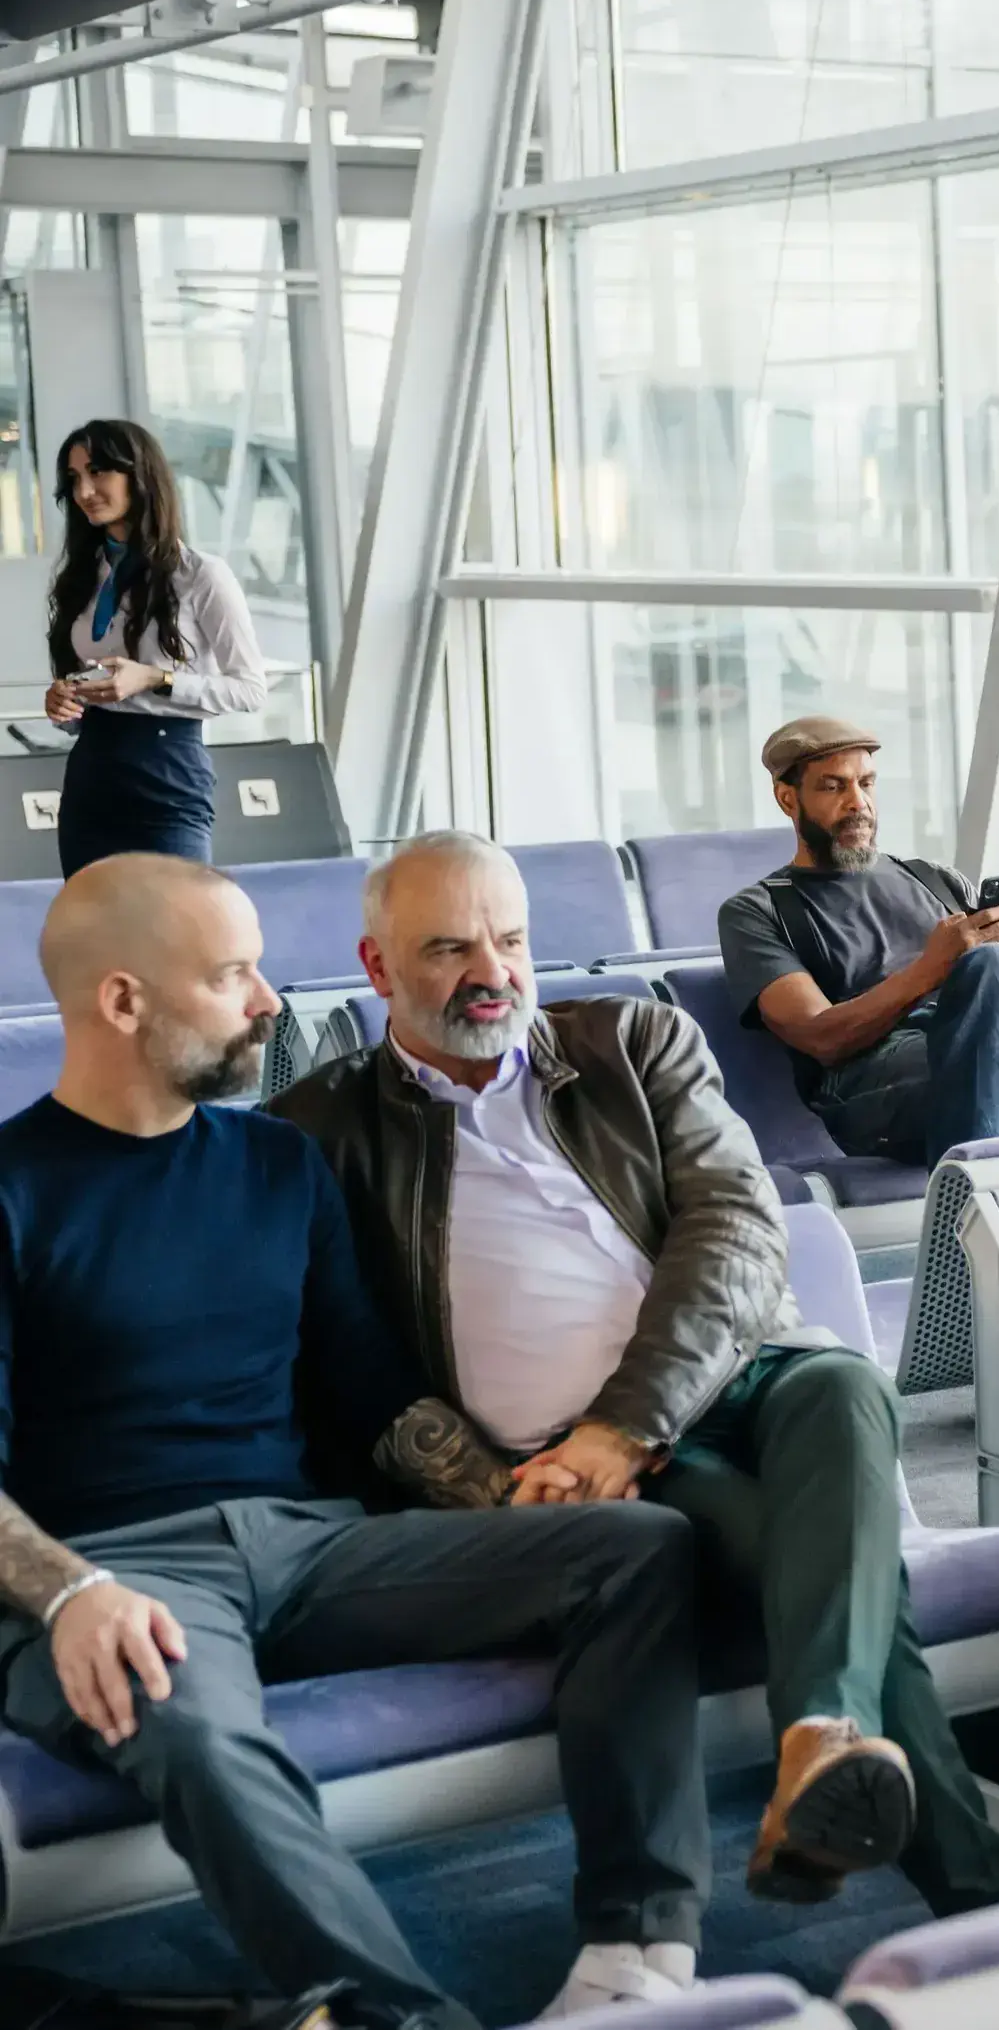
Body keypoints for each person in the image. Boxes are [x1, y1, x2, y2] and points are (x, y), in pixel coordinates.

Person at [276, 832, 999, 1919]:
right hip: (582, 1468)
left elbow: (737, 1229)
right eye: (450, 949)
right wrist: (511, 1485)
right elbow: (347, 1369)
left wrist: (630, 1419)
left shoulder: (631, 1041)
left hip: (729, 1383)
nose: (492, 971)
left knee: (840, 1384)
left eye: (509, 939)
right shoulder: (321, 1129)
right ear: (377, 967)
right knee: (809, 1557)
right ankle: (933, 1847)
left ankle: (856, 1769)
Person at [0, 855, 712, 2027]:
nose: (271, 1000)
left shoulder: (278, 1161)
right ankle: (405, 2021)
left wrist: (514, 1504)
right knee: (189, 1724)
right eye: (232, 975)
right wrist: (71, 1594)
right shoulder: (13, 1192)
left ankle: (638, 1949)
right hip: (119, 1576)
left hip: (310, 1547)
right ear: (124, 1001)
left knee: (631, 1546)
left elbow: (374, 1393)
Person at [714, 716, 999, 1437]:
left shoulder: (930, 880)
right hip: (866, 1091)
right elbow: (821, 1039)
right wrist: (932, 969)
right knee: (993, 981)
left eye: (864, 783)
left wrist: (977, 960)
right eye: (832, 787)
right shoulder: (758, 912)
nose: (856, 801)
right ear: (788, 799)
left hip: (970, 1073)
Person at [41, 422, 273, 876]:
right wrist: (65, 701)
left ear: (139, 475)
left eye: (99, 472)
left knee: (179, 935)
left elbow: (250, 689)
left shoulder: (200, 575)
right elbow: (83, 684)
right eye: (74, 479)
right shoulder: (82, 577)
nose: (84, 490)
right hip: (92, 775)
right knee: (95, 938)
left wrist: (156, 679)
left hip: (168, 776)